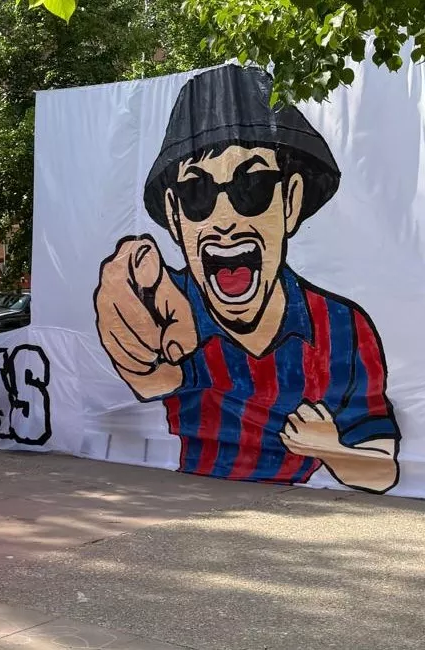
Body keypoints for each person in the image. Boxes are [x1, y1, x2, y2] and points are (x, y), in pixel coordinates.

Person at [94, 64, 400, 494]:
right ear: (174, 215)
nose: (224, 220)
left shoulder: (343, 327)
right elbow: (150, 376)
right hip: (187, 510)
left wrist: (333, 448)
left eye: (251, 185)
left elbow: (384, 468)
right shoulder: (169, 306)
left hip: (300, 522)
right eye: (196, 192)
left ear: (290, 200)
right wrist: (132, 323)